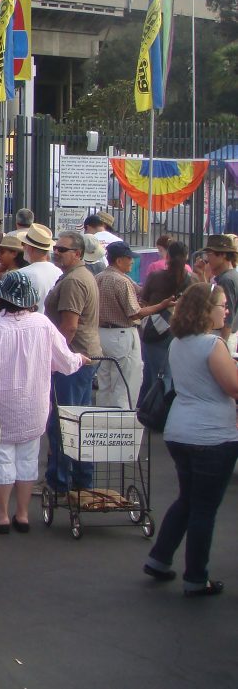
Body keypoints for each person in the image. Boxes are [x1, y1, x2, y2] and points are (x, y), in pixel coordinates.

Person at [143, 282, 238, 596]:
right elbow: (232, 386)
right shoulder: (213, 345)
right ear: (205, 309)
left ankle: (159, 559)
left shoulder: (179, 342)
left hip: (180, 430)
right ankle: (196, 576)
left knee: (187, 499)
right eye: (221, 304)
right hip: (212, 435)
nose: (226, 310)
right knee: (204, 508)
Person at [0, 271, 85, 535]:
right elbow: (67, 361)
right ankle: (23, 515)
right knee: (28, 459)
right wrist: (82, 359)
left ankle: (2, 516)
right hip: (34, 404)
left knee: (0, 458)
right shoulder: (43, 323)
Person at [43, 230, 102, 496]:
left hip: (74, 359)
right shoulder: (76, 276)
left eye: (62, 249)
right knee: (77, 420)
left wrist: (57, 358)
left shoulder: (74, 281)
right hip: (80, 358)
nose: (57, 252)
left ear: (77, 254)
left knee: (64, 422)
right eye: (56, 247)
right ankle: (79, 480)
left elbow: (69, 327)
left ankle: (61, 482)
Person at [95, 241, 173, 408]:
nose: (132, 261)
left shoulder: (100, 277)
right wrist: (161, 306)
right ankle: (121, 425)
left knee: (105, 383)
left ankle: (101, 423)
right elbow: (135, 312)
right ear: (119, 260)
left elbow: (141, 293)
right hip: (121, 334)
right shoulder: (121, 281)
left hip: (101, 334)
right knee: (125, 383)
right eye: (129, 258)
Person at [139, 240, 195, 404]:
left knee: (152, 374)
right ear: (186, 257)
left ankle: (150, 410)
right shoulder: (193, 279)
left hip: (155, 331)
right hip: (182, 330)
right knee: (172, 375)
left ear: (168, 256)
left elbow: (144, 300)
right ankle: (165, 411)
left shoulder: (156, 276)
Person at [204, 234, 238, 351]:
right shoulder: (231, 275)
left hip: (222, 335)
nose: (207, 258)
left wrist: (222, 343)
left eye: (210, 254)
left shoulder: (226, 280)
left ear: (223, 255)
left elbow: (229, 315)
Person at [21, 223, 62, 313]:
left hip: (29, 323)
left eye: (23, 244)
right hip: (51, 324)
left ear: (29, 248)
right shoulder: (59, 272)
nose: (22, 247)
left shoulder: (21, 274)